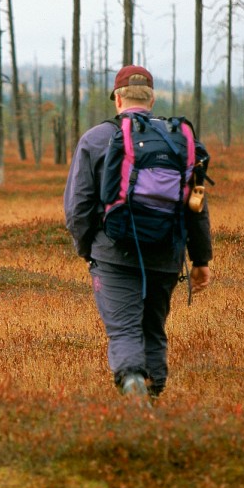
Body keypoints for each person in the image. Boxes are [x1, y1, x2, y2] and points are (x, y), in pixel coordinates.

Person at [63, 64, 213, 399]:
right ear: (152, 99)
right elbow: (197, 205)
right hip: (165, 254)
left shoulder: (97, 139)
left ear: (117, 99)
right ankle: (153, 402)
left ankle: (133, 388)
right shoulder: (179, 140)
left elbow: (78, 207)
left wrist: (88, 248)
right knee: (154, 331)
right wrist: (201, 259)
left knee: (125, 331)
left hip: (114, 255)